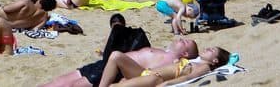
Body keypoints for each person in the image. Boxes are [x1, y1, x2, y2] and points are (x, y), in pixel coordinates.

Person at [43, 37, 200, 87]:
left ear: (185, 54)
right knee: (57, 82)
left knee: (73, 86)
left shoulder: (173, 61)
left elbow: (149, 76)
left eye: (185, 42)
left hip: (115, 72)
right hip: (104, 64)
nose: (181, 39)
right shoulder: (164, 51)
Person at [98, 45, 230, 87]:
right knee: (116, 55)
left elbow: (188, 78)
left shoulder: (205, 67)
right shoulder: (195, 61)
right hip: (145, 72)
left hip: (155, 79)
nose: (207, 49)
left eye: (211, 51)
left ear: (215, 61)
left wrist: (167, 84)